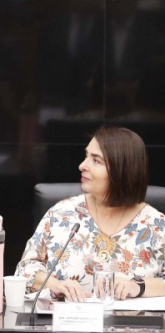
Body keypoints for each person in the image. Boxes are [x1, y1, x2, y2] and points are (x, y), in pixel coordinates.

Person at [16, 126, 165, 302]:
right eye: (86, 156)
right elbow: (24, 270)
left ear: (122, 170)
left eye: (96, 160)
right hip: (65, 326)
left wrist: (138, 287)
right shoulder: (62, 214)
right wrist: (55, 285)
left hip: (128, 327)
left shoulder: (156, 225)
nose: (82, 166)